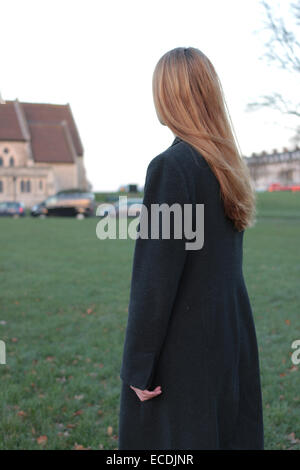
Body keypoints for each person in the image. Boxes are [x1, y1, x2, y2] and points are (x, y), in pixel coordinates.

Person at [118, 47, 264, 450]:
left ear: (168, 97)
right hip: (229, 338)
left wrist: (139, 369)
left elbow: (154, 281)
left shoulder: (173, 167)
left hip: (185, 355)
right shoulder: (226, 166)